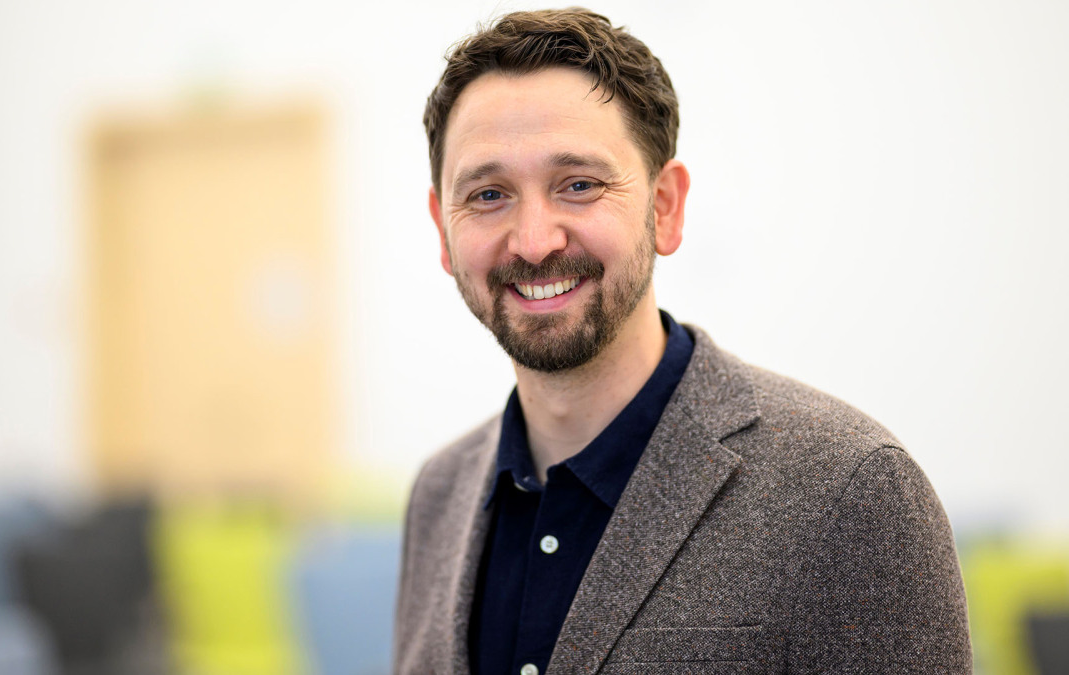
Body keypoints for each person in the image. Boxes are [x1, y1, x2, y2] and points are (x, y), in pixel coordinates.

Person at [394, 8, 972, 674]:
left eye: (579, 185)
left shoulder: (850, 492)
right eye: (489, 194)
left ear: (665, 207)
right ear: (443, 230)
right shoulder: (438, 495)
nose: (533, 241)